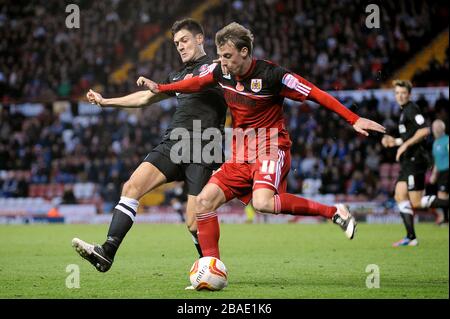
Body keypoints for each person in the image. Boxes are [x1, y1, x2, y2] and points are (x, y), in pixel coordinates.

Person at [139, 22, 386, 259]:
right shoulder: (221, 72)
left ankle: (334, 212)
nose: (221, 62)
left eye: (227, 56)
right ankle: (212, 266)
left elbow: (315, 93)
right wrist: (161, 88)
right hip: (240, 151)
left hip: (270, 145)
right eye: (220, 56)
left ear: (244, 51)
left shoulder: (273, 75)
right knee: (203, 203)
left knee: (263, 202)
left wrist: (353, 119)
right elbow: (196, 82)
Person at [72, 19, 227, 272]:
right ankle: (107, 252)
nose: (180, 46)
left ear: (200, 39)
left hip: (203, 146)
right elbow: (145, 97)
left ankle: (214, 267)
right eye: (176, 43)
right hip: (173, 143)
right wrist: (105, 101)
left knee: (193, 222)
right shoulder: (176, 76)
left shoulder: (218, 68)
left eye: (185, 40)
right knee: (131, 186)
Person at [381, 80, 449, 246]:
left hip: (415, 160)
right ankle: (410, 237)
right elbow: (410, 136)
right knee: (399, 195)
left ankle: (411, 237)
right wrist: (395, 142)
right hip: (408, 161)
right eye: (397, 93)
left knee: (416, 202)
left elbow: (425, 130)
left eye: (403, 93)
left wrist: (404, 145)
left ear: (409, 95)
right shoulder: (404, 112)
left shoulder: (412, 109)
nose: (400, 96)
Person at [429, 119, 449, 225]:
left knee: (442, 195)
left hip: (447, 171)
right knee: (442, 196)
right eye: (433, 128)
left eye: (437, 127)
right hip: (441, 173)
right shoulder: (435, 143)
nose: (435, 130)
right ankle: (445, 219)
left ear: (443, 128)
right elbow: (436, 161)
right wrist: (434, 175)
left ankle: (445, 219)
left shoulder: (447, 140)